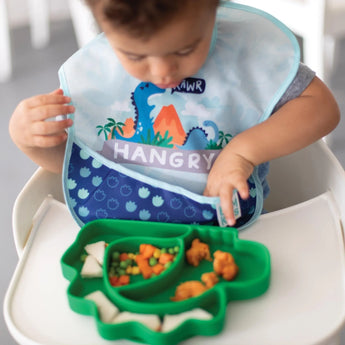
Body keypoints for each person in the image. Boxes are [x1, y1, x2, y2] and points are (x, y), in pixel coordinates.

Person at [9, 0, 340, 228]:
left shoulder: (245, 57)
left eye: (184, 49)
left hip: (233, 235)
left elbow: (322, 108)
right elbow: (85, 167)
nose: (162, 73)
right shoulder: (98, 74)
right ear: (104, 27)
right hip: (122, 238)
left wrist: (241, 152)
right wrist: (30, 141)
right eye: (135, 55)